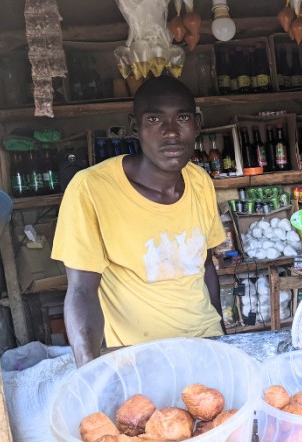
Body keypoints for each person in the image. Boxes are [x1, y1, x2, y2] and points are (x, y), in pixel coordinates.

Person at [52, 76, 226, 367]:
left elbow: (206, 265)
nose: (171, 132)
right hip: (137, 356)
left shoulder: (200, 182)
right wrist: (88, 370)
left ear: (196, 124)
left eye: (181, 118)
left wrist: (222, 336)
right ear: (135, 127)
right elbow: (81, 290)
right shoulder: (90, 189)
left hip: (204, 343)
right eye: (155, 119)